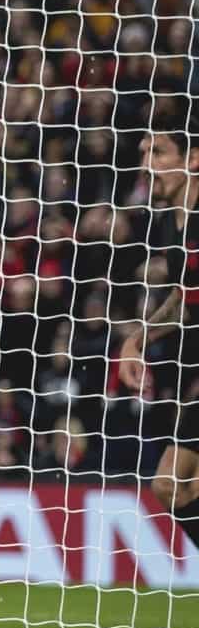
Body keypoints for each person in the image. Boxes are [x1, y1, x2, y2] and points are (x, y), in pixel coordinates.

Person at [119, 99, 199, 558]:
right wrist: (137, 339)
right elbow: (183, 299)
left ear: (193, 159)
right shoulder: (172, 222)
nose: (146, 164)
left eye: (158, 153)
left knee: (174, 484)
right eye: (144, 152)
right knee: (175, 488)